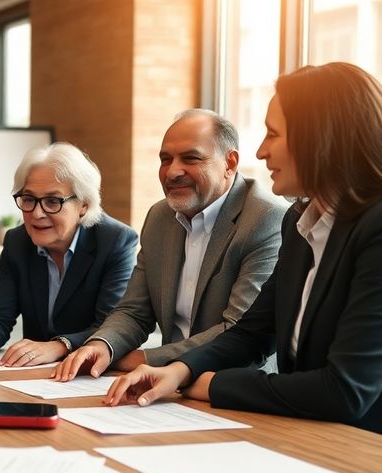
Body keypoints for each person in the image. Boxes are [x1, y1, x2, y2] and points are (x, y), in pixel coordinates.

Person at [105, 62, 382, 454]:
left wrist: (204, 384)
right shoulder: (300, 221)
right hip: (324, 442)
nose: (261, 150)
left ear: (322, 138)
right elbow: (252, 332)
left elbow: (344, 390)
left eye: (274, 133)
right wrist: (178, 370)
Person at [52, 110, 286, 381]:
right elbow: (134, 311)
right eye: (165, 159)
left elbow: (238, 330)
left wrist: (143, 359)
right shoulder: (159, 217)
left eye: (191, 158)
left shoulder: (266, 219)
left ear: (229, 163)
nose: (173, 171)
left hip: (232, 386)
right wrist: (102, 345)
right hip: (167, 386)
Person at [0, 142, 139, 366]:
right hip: (34, 375)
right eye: (29, 199)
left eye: (53, 201)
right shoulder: (17, 241)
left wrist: (60, 346)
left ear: (84, 205)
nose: (37, 213)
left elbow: (112, 326)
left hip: (93, 372)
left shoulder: (116, 240)